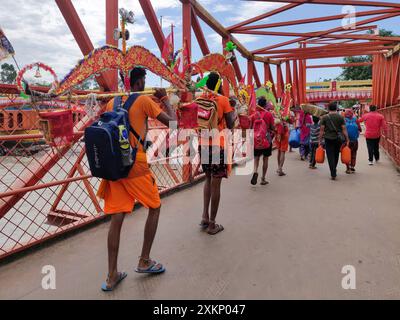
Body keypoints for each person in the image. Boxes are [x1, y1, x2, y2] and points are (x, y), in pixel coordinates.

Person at [97, 67, 177, 291]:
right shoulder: (143, 101)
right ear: (140, 81)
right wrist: (165, 99)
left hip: (114, 167)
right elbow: (173, 124)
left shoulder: (114, 102)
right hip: (136, 164)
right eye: (144, 79)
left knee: (116, 218)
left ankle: (112, 275)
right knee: (155, 206)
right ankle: (144, 260)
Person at [199, 72, 236, 235]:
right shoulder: (222, 100)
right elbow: (230, 124)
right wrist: (233, 109)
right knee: (216, 182)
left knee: (207, 179)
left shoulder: (201, 98)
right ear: (218, 84)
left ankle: (204, 216)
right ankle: (212, 224)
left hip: (203, 144)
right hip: (218, 146)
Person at [319, 102, 349, 180]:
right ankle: (334, 169)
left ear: (328, 108)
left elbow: (321, 130)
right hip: (338, 139)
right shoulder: (340, 117)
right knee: (336, 155)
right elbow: (344, 129)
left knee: (330, 156)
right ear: (336, 108)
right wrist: (347, 139)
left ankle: (333, 172)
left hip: (328, 139)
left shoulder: (324, 117)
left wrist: (319, 140)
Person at [250, 97, 275, 185]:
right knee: (265, 158)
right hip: (266, 140)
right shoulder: (269, 114)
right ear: (265, 105)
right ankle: (263, 178)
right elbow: (272, 127)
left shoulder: (253, 115)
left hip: (256, 140)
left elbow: (250, 128)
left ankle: (255, 171)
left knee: (256, 158)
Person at [274, 108, 294, 176]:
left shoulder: (275, 113)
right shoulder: (286, 113)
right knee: (282, 152)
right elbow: (291, 121)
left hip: (277, 135)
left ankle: (279, 168)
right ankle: (280, 169)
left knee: (279, 151)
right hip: (284, 135)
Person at [344, 109, 362, 173]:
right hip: (354, 140)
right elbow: (360, 129)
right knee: (353, 153)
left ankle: (347, 168)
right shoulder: (355, 119)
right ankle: (352, 166)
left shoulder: (344, 120)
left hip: (346, 140)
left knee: (346, 153)